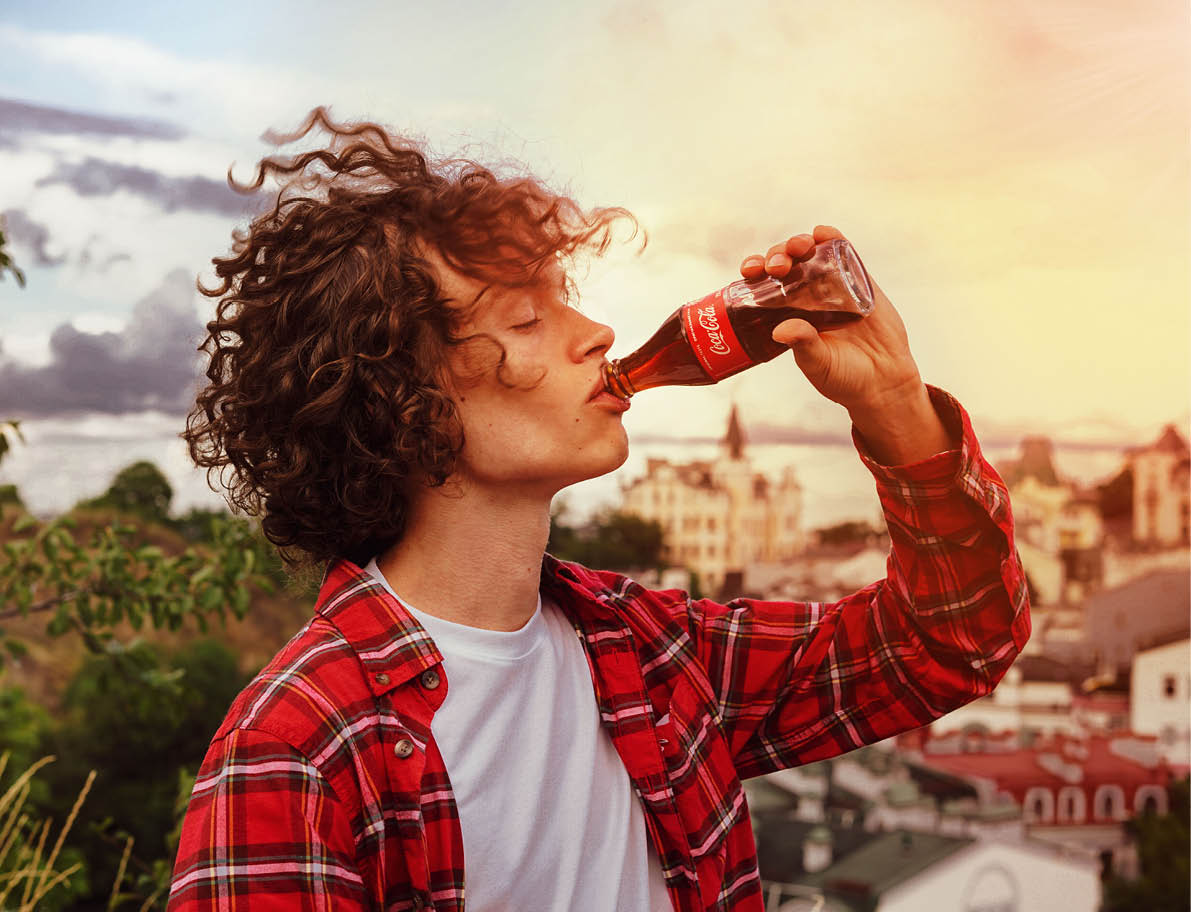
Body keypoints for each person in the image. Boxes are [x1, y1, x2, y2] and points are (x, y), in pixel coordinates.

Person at [168, 108, 1030, 912]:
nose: (597, 333)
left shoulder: (649, 654)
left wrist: (895, 406)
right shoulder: (295, 748)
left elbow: (949, 643)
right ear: (401, 402)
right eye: (526, 318)